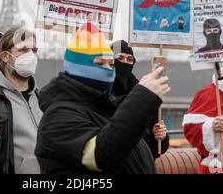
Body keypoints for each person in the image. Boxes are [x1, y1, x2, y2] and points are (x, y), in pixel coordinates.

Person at [35, 23, 171, 173]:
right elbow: (100, 155)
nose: (108, 69)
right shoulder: (58, 116)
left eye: (111, 64)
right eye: (100, 63)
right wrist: (142, 97)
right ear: (77, 66)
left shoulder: (105, 106)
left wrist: (159, 137)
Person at [0, 27, 42, 174]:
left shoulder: (42, 96)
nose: (31, 55)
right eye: (24, 50)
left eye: (34, 50)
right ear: (5, 56)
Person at [110, 40, 169, 158]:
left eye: (129, 59)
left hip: (139, 162)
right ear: (110, 61)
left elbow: (157, 150)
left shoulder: (144, 92)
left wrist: (160, 137)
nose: (125, 62)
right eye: (120, 58)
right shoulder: (100, 90)